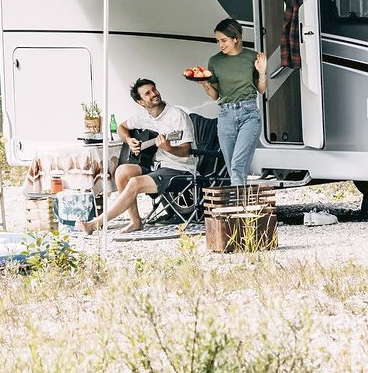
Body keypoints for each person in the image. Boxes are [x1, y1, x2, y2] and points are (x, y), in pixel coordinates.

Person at [76, 78, 195, 234]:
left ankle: (95, 224)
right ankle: (135, 222)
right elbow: (121, 127)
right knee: (121, 171)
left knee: (135, 182)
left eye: (154, 89)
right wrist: (129, 140)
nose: (154, 94)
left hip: (179, 168)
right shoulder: (143, 116)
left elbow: (185, 151)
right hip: (157, 165)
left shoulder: (177, 115)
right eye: (148, 93)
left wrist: (169, 148)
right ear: (141, 102)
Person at [198, 18, 267, 186]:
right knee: (233, 169)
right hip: (225, 116)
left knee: (237, 164)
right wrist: (205, 83)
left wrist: (261, 72)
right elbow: (215, 96)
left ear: (236, 38)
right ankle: (241, 200)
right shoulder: (215, 61)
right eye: (217, 41)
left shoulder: (252, 57)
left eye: (224, 40)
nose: (220, 45)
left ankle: (238, 201)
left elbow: (261, 89)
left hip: (249, 114)